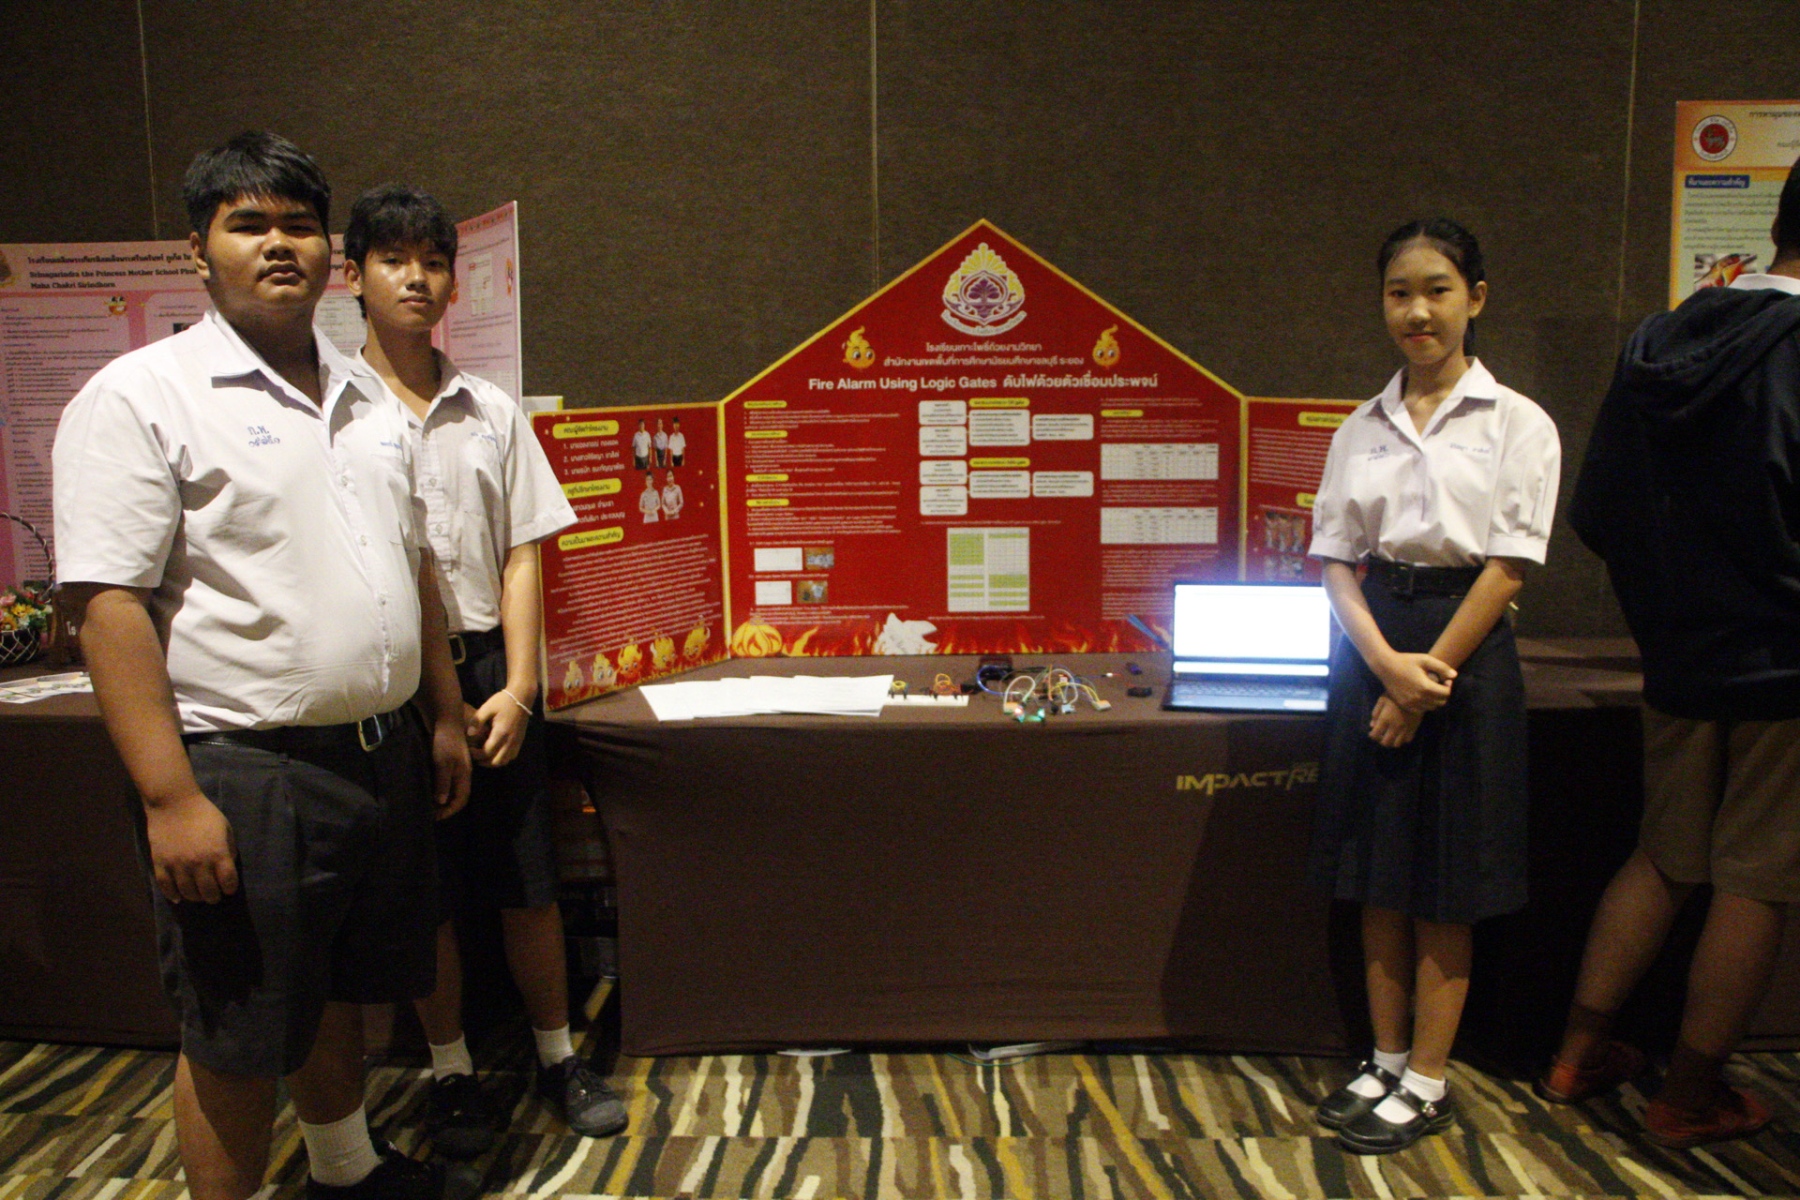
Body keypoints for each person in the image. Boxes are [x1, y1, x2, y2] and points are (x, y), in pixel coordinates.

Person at [52, 132, 474, 1200]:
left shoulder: (367, 394)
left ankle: (344, 1170)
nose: (279, 245)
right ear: (198, 250)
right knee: (235, 1032)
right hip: (242, 769)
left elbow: (413, 568)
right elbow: (106, 606)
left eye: (298, 225)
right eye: (248, 225)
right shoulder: (142, 394)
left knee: (331, 990)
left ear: (331, 250)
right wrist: (170, 796)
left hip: (377, 755)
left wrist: (442, 712)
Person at [343, 183, 628, 1151]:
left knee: (527, 879)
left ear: (454, 283)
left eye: (433, 262)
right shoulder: (332, 414)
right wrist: (433, 703)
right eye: (393, 260)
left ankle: (556, 1055)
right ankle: (452, 1071)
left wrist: (519, 687)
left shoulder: (492, 410)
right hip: (393, 679)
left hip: (493, 669)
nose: (415, 279)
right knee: (424, 892)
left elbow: (522, 552)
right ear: (355, 277)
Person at [1537, 157, 1800, 1149]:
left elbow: (1597, 508)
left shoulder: (1664, 338)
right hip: (1785, 667)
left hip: (1679, 657)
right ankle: (1687, 1098)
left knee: (1663, 856)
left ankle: (1576, 1055)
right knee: (1756, 881)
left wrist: (1668, 607)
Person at [1307, 218, 1561, 1154]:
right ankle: (1383, 1058)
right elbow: (1335, 560)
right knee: (1378, 871)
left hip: (1467, 648)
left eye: (1437, 290)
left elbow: (1508, 567)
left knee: (1447, 880)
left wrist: (1419, 684)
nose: (1417, 311)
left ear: (1475, 298)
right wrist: (1383, 666)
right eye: (1399, 293)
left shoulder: (1519, 421)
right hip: (1376, 639)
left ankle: (1426, 1079)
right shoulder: (1359, 426)